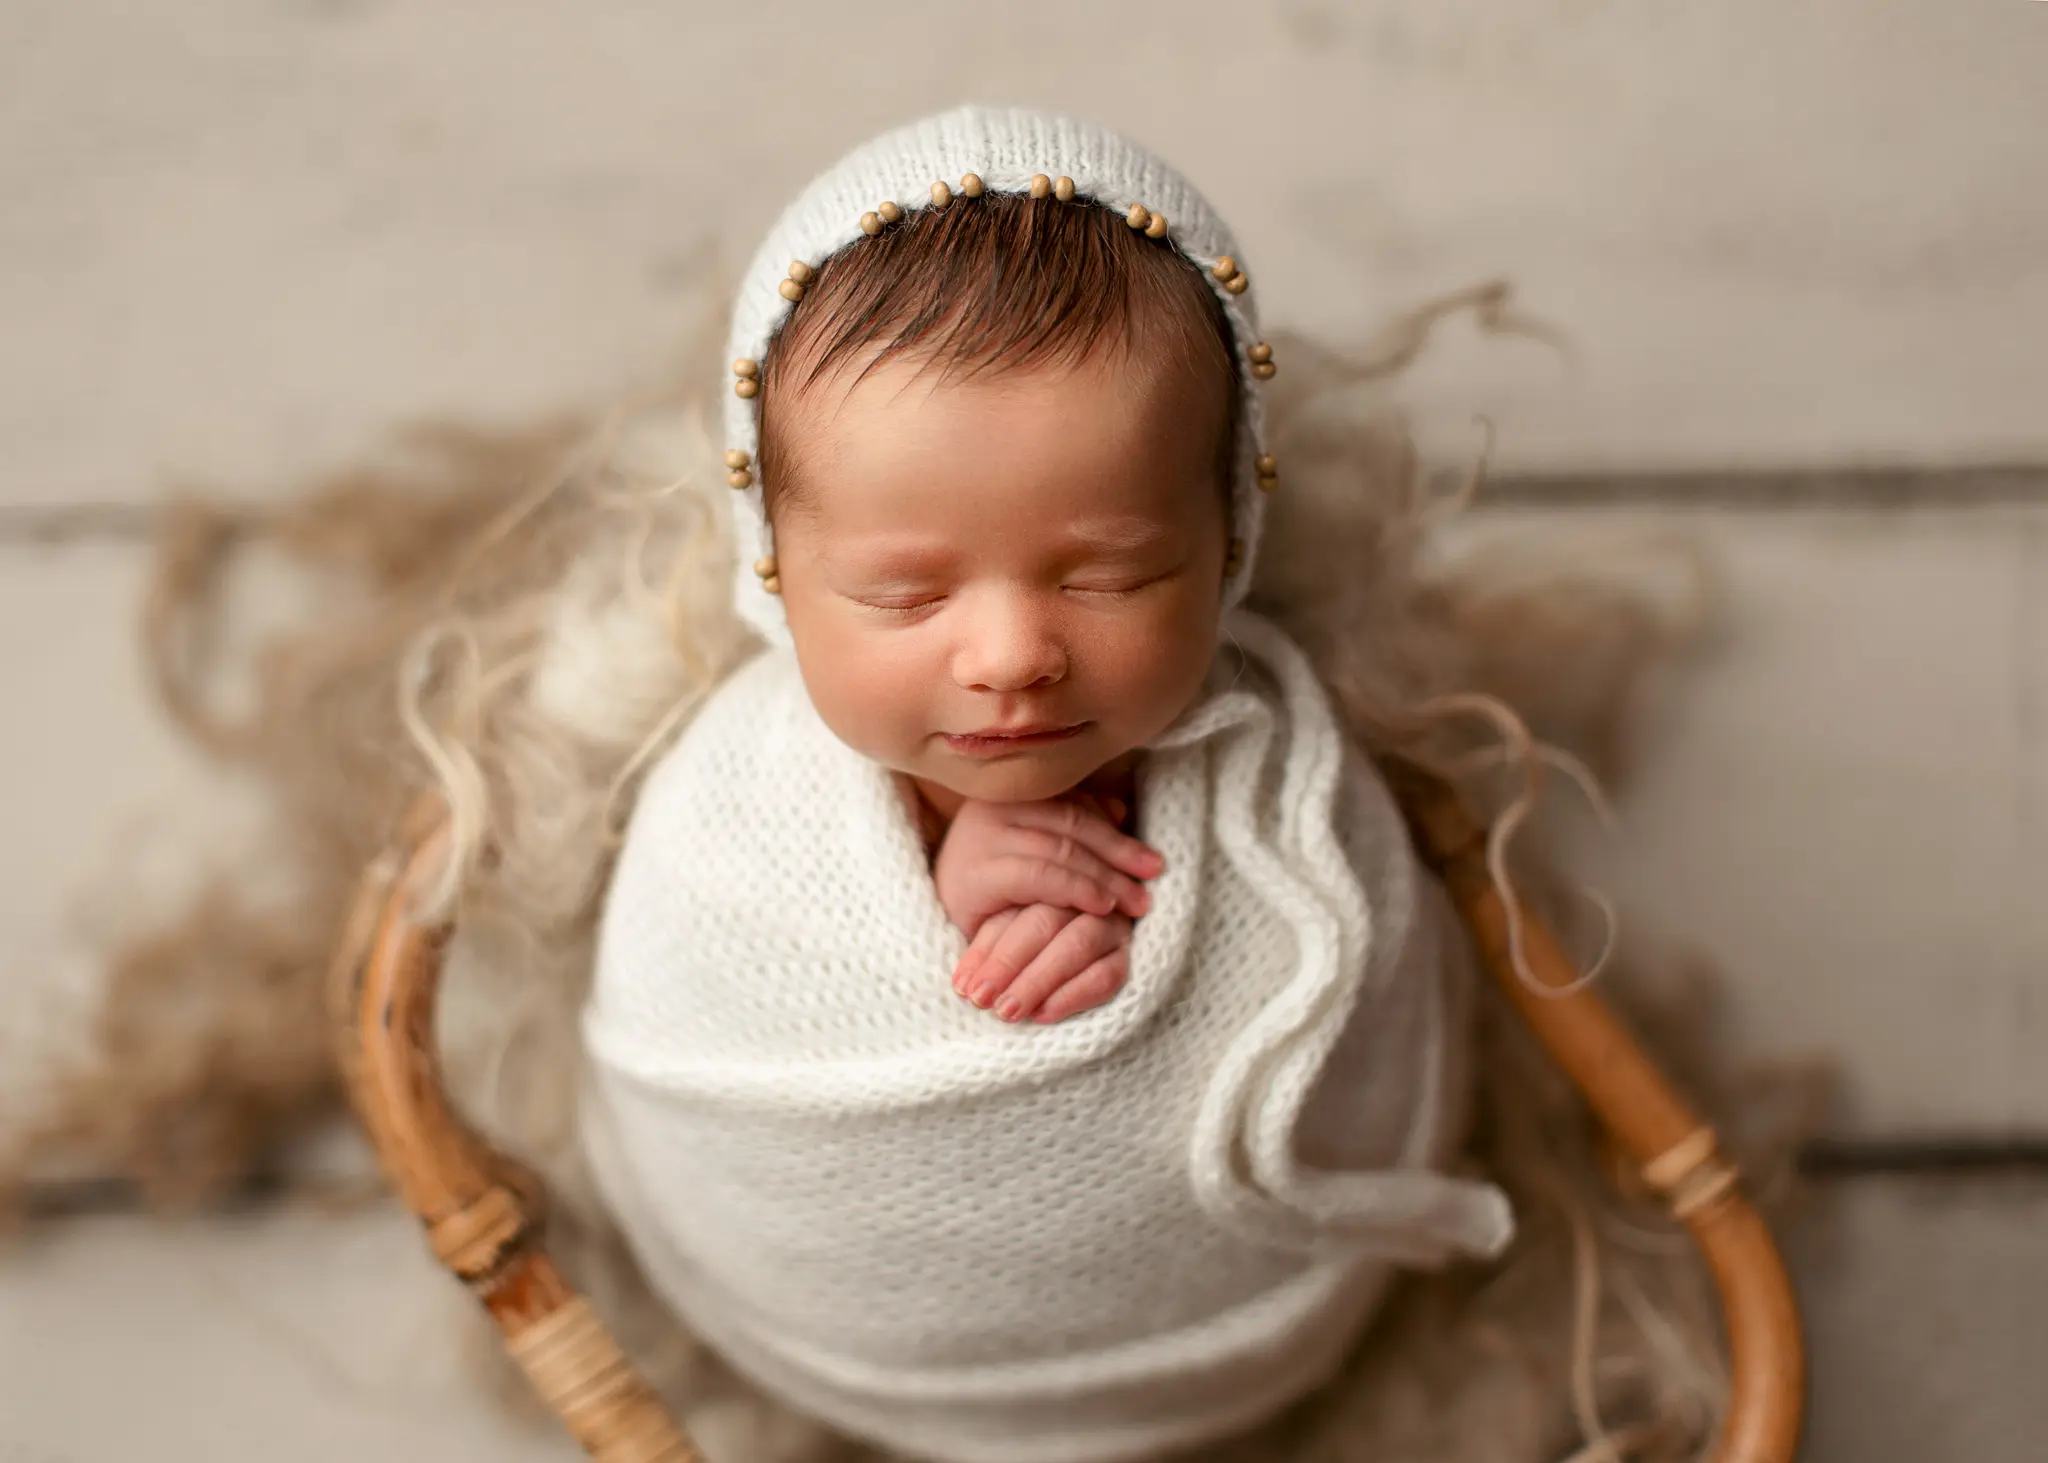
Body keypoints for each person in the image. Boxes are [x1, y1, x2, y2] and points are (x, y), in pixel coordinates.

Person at [575, 104, 1515, 1463]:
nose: (1013, 654)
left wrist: (1159, 952)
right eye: (904, 594)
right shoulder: (736, 815)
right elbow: (711, 982)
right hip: (836, 1333)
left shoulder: (1292, 799)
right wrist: (931, 876)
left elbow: (1368, 1007)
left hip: (1227, 1329)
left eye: (1111, 574)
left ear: (1229, 538)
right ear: (774, 569)